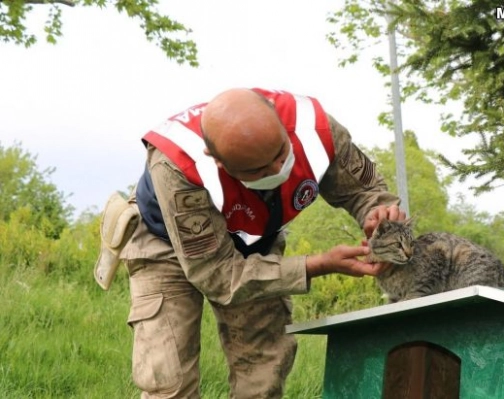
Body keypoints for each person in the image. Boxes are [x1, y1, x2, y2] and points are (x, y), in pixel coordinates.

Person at [103, 87, 405, 398]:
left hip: (255, 241)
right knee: (169, 381)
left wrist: (378, 214)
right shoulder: (177, 165)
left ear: (279, 122)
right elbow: (218, 276)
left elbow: (366, 191)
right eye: (257, 170)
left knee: (263, 375)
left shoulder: (317, 130)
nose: (278, 170)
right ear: (218, 161)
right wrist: (317, 265)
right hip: (165, 243)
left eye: (280, 153)